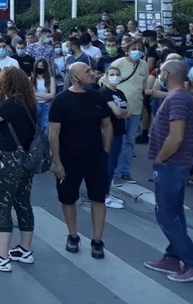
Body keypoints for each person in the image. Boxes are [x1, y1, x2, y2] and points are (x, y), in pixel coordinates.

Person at [49, 62, 113, 260]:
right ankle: (73, 235)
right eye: (88, 72)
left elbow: (107, 125)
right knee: (68, 199)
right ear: (76, 78)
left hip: (95, 159)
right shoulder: (61, 101)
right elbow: (53, 134)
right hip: (69, 160)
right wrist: (57, 162)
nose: (93, 73)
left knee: (98, 198)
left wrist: (106, 152)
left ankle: (97, 240)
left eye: (91, 70)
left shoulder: (97, 97)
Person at [0, 67, 37, 272]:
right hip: (26, 159)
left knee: (2, 205)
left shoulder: (10, 104)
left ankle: (1, 256)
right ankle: (24, 249)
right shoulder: (29, 104)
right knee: (23, 203)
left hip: (8, 159)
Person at [141, 59, 193, 282]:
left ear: (167, 74)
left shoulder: (179, 98)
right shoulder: (178, 97)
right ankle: (172, 257)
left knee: (166, 214)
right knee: (174, 213)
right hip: (174, 164)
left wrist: (160, 159)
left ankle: (190, 261)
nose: (159, 75)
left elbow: (176, 136)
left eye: (161, 71)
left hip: (172, 164)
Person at [111, 39, 149, 186]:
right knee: (118, 141)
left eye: (140, 48)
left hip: (136, 108)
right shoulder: (119, 63)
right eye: (134, 48)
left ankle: (125, 171)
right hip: (119, 109)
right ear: (127, 49)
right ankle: (115, 173)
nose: (137, 51)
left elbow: (144, 86)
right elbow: (106, 81)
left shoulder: (144, 65)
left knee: (129, 142)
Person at [98, 65, 131, 209]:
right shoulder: (104, 92)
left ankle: (106, 192)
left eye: (117, 74)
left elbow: (129, 112)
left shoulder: (120, 93)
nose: (115, 77)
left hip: (119, 132)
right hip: (107, 133)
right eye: (112, 74)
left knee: (112, 164)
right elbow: (118, 111)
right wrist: (122, 112)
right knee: (108, 165)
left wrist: (122, 112)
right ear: (106, 76)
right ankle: (103, 195)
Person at [32, 58, 56, 134]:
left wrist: (35, 94)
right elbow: (30, 95)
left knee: (45, 130)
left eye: (41, 66)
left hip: (46, 106)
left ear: (45, 67)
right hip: (34, 105)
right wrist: (46, 96)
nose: (39, 67)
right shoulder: (31, 79)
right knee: (34, 129)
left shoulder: (51, 79)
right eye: (38, 65)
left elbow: (52, 95)